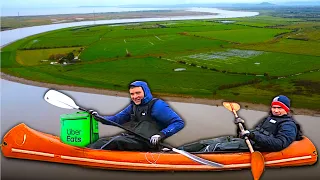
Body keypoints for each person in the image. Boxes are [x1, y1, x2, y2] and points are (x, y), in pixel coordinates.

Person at [178, 95, 303, 152]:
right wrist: (241, 126)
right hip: (248, 141)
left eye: (279, 108)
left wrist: (252, 136)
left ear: (286, 109)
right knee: (204, 142)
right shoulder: (268, 118)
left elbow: (279, 144)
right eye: (274, 107)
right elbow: (254, 132)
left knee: (215, 147)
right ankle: (177, 151)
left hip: (257, 147)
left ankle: (181, 159)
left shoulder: (288, 125)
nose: (275, 110)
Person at [87, 80, 185, 151]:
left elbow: (178, 123)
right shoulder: (133, 106)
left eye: (138, 93)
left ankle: (94, 156)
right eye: (132, 94)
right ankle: (86, 151)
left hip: (148, 143)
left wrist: (161, 134)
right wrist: (99, 117)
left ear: (145, 92)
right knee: (102, 141)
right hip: (134, 139)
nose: (135, 97)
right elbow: (116, 119)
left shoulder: (157, 106)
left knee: (117, 141)